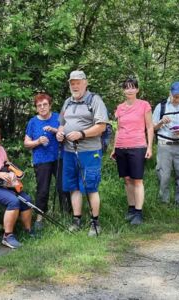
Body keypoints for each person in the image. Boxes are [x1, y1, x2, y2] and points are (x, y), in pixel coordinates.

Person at [56, 70, 109, 236]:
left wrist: (82, 134)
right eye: (72, 83)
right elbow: (62, 124)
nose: (75, 86)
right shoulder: (67, 102)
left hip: (89, 151)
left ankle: (95, 223)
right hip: (69, 151)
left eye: (78, 82)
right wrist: (59, 133)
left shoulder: (95, 100)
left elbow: (101, 126)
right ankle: (76, 220)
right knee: (73, 187)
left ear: (85, 83)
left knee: (90, 186)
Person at [24, 93, 71, 231]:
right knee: (42, 190)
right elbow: (26, 143)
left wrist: (55, 130)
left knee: (63, 187)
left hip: (59, 157)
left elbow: (67, 134)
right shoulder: (33, 122)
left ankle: (67, 216)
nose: (42, 107)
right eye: (39, 105)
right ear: (36, 108)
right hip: (41, 160)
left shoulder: (58, 117)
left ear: (50, 105)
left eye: (45, 104)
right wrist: (38, 141)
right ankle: (39, 218)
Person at [110, 77, 153, 225]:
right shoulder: (120, 107)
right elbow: (118, 129)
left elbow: (149, 127)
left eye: (132, 87)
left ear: (137, 89)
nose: (129, 90)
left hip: (138, 146)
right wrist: (114, 147)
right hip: (121, 147)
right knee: (127, 179)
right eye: (126, 87)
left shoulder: (144, 105)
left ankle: (139, 213)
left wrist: (149, 147)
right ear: (123, 90)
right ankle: (132, 209)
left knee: (137, 180)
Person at [153, 82, 179, 207]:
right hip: (164, 145)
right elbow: (153, 128)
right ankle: (163, 203)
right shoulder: (160, 107)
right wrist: (161, 122)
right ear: (170, 93)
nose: (178, 99)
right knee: (164, 175)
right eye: (175, 96)